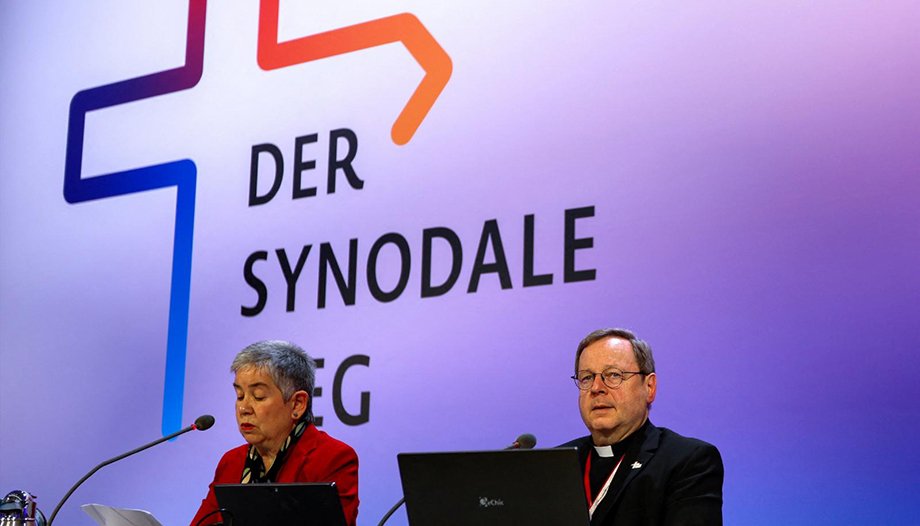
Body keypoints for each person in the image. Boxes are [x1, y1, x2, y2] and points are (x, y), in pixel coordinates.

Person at [559, 328, 723, 526]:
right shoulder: (558, 464)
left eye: (613, 375)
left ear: (649, 387)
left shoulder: (687, 461)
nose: (596, 388)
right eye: (586, 377)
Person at [191, 340, 359, 526]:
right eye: (240, 396)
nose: (243, 408)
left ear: (297, 404)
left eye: (258, 396)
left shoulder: (332, 458)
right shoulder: (231, 462)